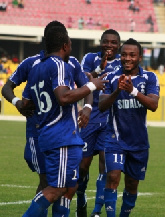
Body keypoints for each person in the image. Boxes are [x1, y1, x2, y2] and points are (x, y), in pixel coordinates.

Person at [2, 20, 93, 217]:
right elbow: (7, 87)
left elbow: (84, 85)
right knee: (50, 184)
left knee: (67, 187)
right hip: (40, 131)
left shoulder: (72, 63)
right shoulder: (32, 63)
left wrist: (87, 107)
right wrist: (18, 102)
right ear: (63, 42)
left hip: (64, 131)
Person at [21, 25, 107, 217]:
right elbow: (64, 97)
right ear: (66, 46)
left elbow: (26, 102)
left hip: (51, 134)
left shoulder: (36, 69)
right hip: (61, 137)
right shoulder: (59, 64)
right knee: (56, 190)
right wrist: (93, 85)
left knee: (68, 189)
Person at [98, 38, 160, 217]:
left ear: (139, 57)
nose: (127, 58)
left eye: (132, 55)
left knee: (132, 185)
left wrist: (133, 90)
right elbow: (102, 105)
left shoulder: (149, 77)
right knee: (112, 178)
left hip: (139, 142)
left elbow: (153, 105)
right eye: (124, 54)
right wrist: (118, 90)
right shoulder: (111, 76)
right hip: (115, 138)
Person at [76, 29, 122, 217]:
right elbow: (81, 80)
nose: (109, 45)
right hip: (90, 116)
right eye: (106, 42)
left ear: (118, 45)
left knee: (105, 162)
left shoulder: (122, 61)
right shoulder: (89, 58)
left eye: (113, 42)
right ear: (100, 42)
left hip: (110, 119)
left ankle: (96, 211)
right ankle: (80, 195)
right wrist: (98, 69)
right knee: (83, 166)